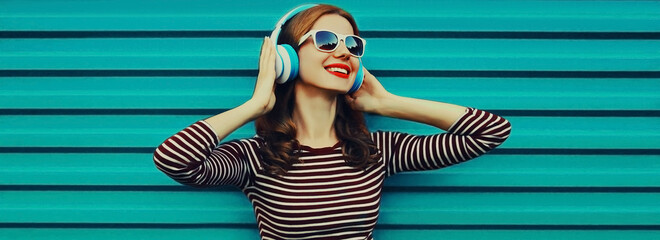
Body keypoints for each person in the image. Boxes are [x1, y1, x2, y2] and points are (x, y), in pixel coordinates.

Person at [153, 4, 511, 240]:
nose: (343, 51)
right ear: (286, 57)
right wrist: (256, 104)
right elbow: (174, 160)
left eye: (353, 45)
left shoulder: (377, 150)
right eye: (325, 41)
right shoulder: (257, 156)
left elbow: (490, 131)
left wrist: (389, 103)